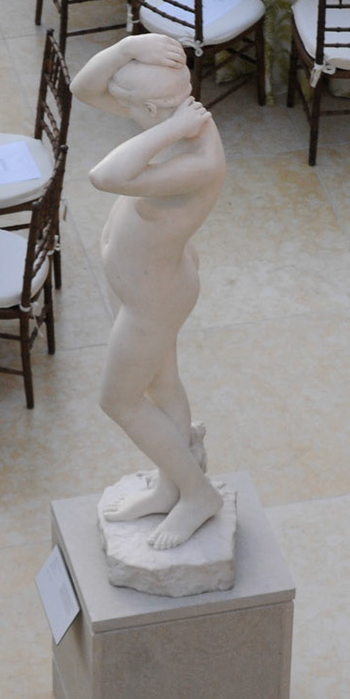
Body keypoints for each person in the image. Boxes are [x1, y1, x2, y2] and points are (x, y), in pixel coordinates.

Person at [72, 33, 228, 549]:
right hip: (150, 284)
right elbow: (83, 89)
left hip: (153, 300)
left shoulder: (197, 155)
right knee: (163, 387)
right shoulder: (173, 117)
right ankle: (171, 486)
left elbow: (104, 175)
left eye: (133, 109)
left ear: (157, 108)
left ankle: (198, 494)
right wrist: (127, 48)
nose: (123, 113)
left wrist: (169, 128)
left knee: (118, 400)